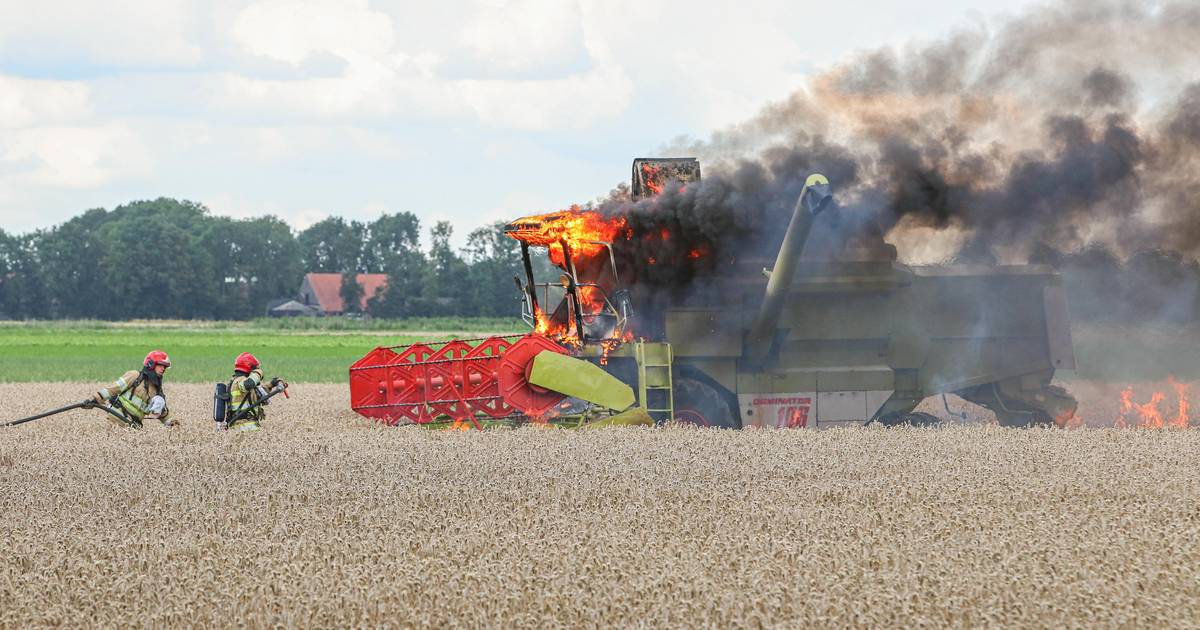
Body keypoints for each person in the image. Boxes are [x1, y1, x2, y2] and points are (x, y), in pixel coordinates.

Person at [93, 350, 173, 428]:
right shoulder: (134, 376)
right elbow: (113, 389)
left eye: (165, 366)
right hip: (114, 421)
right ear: (151, 364)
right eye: (160, 365)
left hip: (133, 428)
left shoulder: (157, 391)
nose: (163, 369)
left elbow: (162, 412)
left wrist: (172, 423)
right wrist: (95, 399)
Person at [221, 352, 286, 432]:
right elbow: (248, 385)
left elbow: (256, 395)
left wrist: (272, 384)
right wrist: (259, 372)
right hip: (244, 426)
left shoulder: (238, 382)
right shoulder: (239, 381)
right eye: (254, 368)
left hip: (245, 425)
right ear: (249, 367)